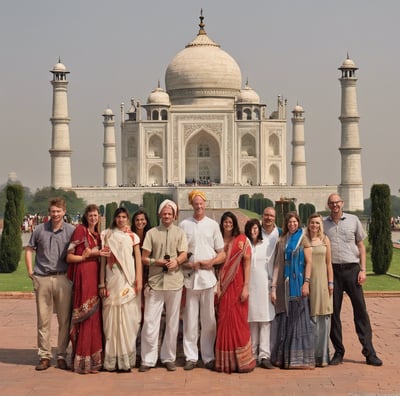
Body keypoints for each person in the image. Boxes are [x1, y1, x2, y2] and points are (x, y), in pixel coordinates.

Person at [323, 193, 383, 366]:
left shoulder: (353, 220)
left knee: (360, 312)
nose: (335, 205)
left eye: (337, 202)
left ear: (342, 203)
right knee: (333, 313)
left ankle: (369, 352)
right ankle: (338, 352)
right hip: (333, 271)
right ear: (329, 205)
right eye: (332, 203)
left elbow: (361, 246)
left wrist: (363, 270)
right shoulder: (324, 224)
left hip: (352, 269)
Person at [25, 197, 75, 371]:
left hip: (63, 278)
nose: (55, 214)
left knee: (64, 320)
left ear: (64, 212)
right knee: (43, 319)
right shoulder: (40, 229)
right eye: (53, 211)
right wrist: (31, 271)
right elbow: (30, 249)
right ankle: (45, 355)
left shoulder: (71, 230)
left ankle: (61, 355)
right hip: (43, 277)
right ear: (49, 212)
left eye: (58, 211)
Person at [139, 200, 188, 372]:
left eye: (170, 213)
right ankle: (148, 359)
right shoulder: (152, 233)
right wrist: (157, 262)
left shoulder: (180, 233)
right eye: (164, 213)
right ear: (160, 215)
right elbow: (144, 258)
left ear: (174, 216)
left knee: (173, 323)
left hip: (174, 282)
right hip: (155, 282)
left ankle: (168, 357)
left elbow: (183, 254)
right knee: (150, 322)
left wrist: (176, 261)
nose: (167, 216)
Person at [179, 190, 226, 371]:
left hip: (207, 278)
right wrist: (187, 264)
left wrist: (211, 262)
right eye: (195, 203)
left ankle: (208, 357)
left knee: (209, 320)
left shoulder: (213, 225)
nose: (199, 206)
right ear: (191, 205)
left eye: (201, 203)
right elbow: (179, 252)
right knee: (190, 320)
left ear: (205, 204)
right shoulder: (184, 225)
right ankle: (191, 356)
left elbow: (222, 253)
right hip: (190, 278)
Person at [99, 207, 143, 372]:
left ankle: (125, 361)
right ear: (115, 218)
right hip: (112, 280)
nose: (121, 219)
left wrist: (138, 280)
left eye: (124, 216)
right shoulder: (107, 235)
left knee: (128, 320)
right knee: (110, 322)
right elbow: (103, 261)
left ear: (127, 219)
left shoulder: (132, 236)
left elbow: (137, 260)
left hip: (127, 282)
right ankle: (111, 361)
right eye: (118, 216)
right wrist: (101, 283)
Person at [270, 211, 315, 369]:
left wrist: (306, 283)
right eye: (289, 222)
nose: (292, 225)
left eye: (295, 222)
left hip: (298, 284)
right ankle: (286, 358)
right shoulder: (282, 240)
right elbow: (277, 265)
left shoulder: (303, 239)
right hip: (285, 285)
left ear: (298, 222)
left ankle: (301, 359)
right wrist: (273, 287)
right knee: (286, 320)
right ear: (286, 224)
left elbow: (309, 263)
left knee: (299, 319)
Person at [215, 211, 255, 373]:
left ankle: (243, 361)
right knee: (223, 320)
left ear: (235, 224)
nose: (228, 224)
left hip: (238, 285)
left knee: (239, 320)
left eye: (230, 222)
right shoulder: (217, 241)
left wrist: (246, 286)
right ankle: (226, 362)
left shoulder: (242, 241)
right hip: (222, 286)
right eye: (225, 222)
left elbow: (247, 264)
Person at [66, 204, 104, 374]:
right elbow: (69, 257)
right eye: (91, 215)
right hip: (83, 276)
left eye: (95, 215)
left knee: (94, 317)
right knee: (85, 316)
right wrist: (84, 256)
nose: (93, 218)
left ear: (99, 217)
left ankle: (94, 361)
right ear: (86, 216)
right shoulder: (80, 230)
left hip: (95, 277)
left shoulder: (97, 235)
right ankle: (82, 360)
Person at [245, 211, 278, 369]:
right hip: (249, 286)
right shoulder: (244, 244)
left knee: (265, 321)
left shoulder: (267, 244)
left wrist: (273, 287)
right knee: (251, 321)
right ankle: (252, 354)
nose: (254, 231)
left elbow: (273, 265)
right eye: (251, 229)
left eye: (256, 228)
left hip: (264, 284)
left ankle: (264, 355)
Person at [305, 213, 333, 367]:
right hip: (309, 282)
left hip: (322, 282)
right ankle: (310, 356)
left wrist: (331, 283)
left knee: (324, 318)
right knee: (311, 318)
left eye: (317, 223)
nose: (314, 226)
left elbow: (329, 263)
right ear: (308, 224)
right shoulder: (304, 240)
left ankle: (322, 356)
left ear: (320, 225)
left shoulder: (324, 240)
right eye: (312, 223)